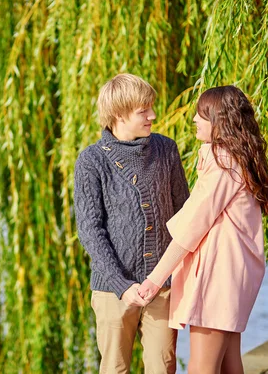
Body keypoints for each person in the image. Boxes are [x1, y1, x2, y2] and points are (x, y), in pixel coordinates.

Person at [138, 85, 268, 374]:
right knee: (229, 363)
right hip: (233, 276)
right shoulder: (239, 160)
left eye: (202, 115)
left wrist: (153, 280)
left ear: (220, 121)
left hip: (218, 278)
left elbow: (191, 227)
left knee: (202, 367)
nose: (195, 120)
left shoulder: (223, 163)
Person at [74, 73, 190, 373]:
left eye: (151, 107)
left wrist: (169, 275)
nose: (153, 115)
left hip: (161, 286)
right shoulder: (91, 161)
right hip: (113, 290)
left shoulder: (166, 149)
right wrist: (121, 285)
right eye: (144, 110)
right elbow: (90, 230)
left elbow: (184, 213)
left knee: (162, 365)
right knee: (115, 368)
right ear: (119, 114)